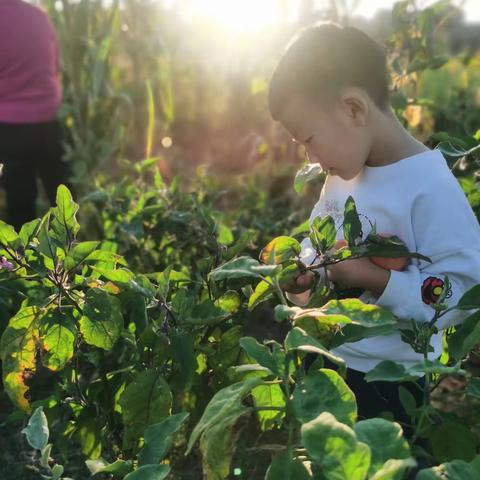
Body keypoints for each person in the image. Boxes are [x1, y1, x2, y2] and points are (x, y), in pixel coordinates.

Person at [268, 21, 480, 458]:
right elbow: (319, 239)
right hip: (328, 355)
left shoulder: (429, 187)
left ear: (353, 109)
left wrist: (379, 280)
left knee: (380, 462)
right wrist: (309, 269)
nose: (310, 158)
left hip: (388, 377)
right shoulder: (344, 175)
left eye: (309, 139)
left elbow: (461, 291)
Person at [0, 0, 67, 231]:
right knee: (62, 196)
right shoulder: (39, 16)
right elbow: (55, 64)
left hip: (10, 126)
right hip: (49, 120)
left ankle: (26, 264)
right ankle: (74, 258)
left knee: (21, 205)